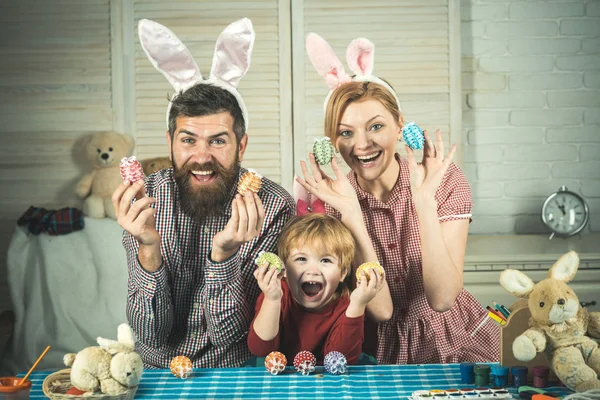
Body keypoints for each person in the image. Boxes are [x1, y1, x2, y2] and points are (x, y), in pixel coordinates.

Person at [297, 33, 499, 364]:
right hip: (382, 353)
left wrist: (423, 202)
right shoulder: (332, 203)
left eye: (375, 127)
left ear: (399, 124)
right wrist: (351, 214)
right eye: (346, 133)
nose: (361, 145)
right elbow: (382, 311)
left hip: (459, 340)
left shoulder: (444, 180)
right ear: (333, 140)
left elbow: (443, 297)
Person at [111, 18, 295, 369]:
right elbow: (149, 333)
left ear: (241, 145)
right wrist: (148, 248)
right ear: (170, 143)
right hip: (155, 369)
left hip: (228, 371)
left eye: (218, 141)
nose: (202, 157)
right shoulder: (145, 198)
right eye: (188, 140)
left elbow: (235, 336)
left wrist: (223, 256)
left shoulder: (273, 207)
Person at [247, 213, 389, 365]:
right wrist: (272, 299)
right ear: (284, 269)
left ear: (342, 273)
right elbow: (260, 349)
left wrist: (358, 305)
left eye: (325, 260)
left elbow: (342, 360)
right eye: (301, 259)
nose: (313, 270)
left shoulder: (348, 304)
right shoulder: (275, 293)